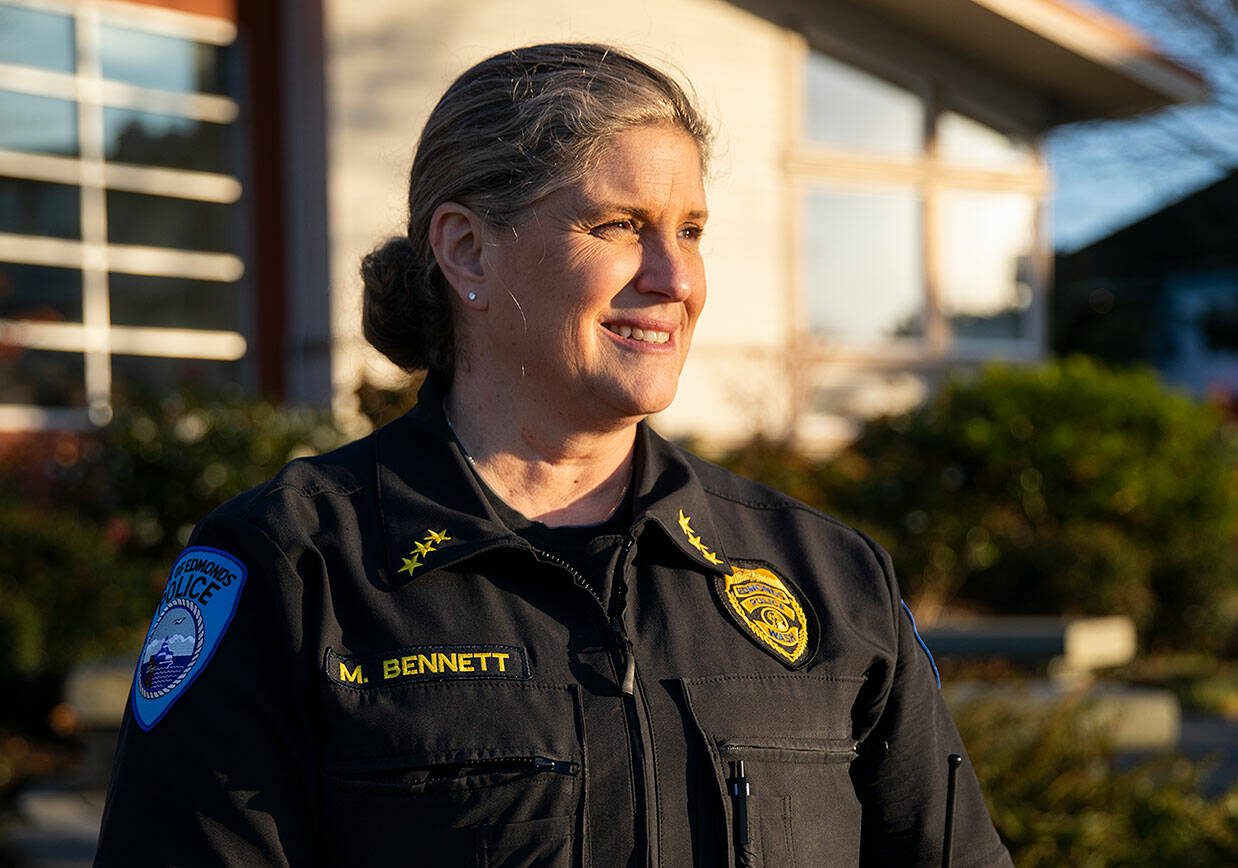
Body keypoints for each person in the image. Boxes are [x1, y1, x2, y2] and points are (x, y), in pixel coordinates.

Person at [96, 43, 1012, 866]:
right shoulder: (290, 569)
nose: (676, 278)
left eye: (690, 230)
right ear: (467, 252)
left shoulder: (828, 577)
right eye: (618, 226)